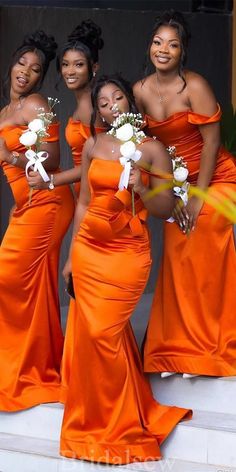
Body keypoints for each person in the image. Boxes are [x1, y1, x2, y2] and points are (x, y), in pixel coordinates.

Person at [60, 74, 191, 465]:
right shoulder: (93, 144)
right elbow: (83, 202)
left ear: (129, 104)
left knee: (105, 331)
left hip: (128, 252)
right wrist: (70, 255)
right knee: (93, 337)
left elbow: (165, 210)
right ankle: (94, 421)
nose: (112, 105)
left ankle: (120, 425)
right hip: (88, 249)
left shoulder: (152, 149)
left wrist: (142, 188)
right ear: (97, 111)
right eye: (104, 102)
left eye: (118, 98)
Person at [133, 10, 236, 378]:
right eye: (158, 42)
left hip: (217, 178)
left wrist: (196, 196)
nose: (163, 50)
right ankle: (176, 349)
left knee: (203, 227)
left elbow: (211, 145)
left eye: (172, 44)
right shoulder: (140, 91)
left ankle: (209, 344)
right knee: (177, 244)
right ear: (150, 47)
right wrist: (165, 191)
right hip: (175, 180)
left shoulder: (195, 87)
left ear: (183, 51)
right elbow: (146, 143)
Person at [26, 21, 105, 400]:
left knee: (91, 290)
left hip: (101, 205)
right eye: (66, 66)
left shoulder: (101, 106)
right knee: (80, 290)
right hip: (82, 204)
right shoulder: (78, 107)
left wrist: (51, 181)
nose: (71, 71)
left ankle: (94, 377)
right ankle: (80, 373)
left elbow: (96, 166)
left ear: (94, 68)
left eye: (79, 65)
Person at [0, 30, 74, 411]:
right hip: (25, 207)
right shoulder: (3, 114)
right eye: (21, 63)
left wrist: (13, 158)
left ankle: (31, 366)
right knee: (29, 287)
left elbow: (54, 157)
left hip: (48, 203)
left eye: (35, 68)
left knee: (8, 277)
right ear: (12, 64)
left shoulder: (36, 104)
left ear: (41, 77)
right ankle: (24, 364)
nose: (25, 72)